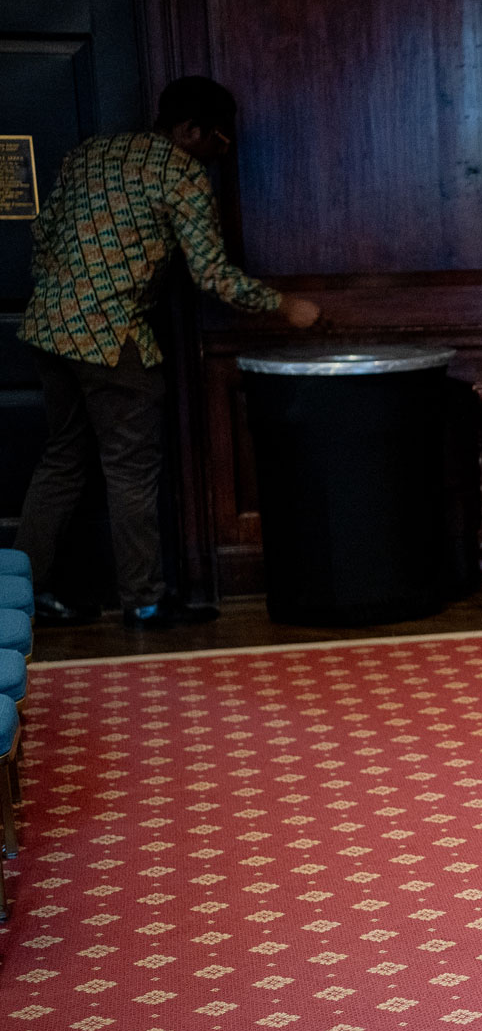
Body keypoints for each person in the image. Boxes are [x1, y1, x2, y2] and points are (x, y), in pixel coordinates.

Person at [16, 76, 320, 629]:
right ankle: (144, 601)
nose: (222, 152)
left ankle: (21, 596)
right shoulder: (181, 173)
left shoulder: (91, 152)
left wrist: (66, 292)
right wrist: (285, 306)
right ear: (189, 130)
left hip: (48, 327)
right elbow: (211, 274)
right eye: (219, 140)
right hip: (114, 339)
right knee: (130, 471)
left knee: (61, 460)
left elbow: (43, 233)